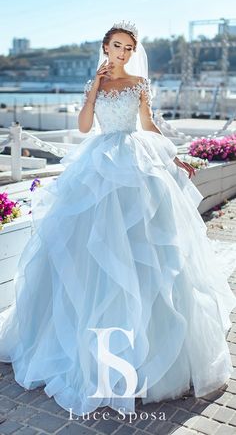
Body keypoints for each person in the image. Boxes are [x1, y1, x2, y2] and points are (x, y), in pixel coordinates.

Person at [0, 21, 236, 419]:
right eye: (117, 47)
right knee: (91, 249)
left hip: (136, 163)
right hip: (98, 163)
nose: (123, 54)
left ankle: (149, 355)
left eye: (129, 48)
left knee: (145, 248)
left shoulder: (140, 83)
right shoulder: (96, 82)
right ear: (105, 47)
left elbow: (148, 125)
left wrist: (174, 157)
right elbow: (84, 126)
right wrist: (92, 87)